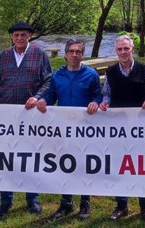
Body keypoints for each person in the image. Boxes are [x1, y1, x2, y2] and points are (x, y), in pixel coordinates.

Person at [0, 21, 51, 219]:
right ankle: (5, 200)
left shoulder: (39, 54)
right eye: (16, 35)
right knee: (6, 158)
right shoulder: (4, 57)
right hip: (6, 117)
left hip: (31, 115)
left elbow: (48, 80)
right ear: (11, 37)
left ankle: (32, 199)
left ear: (29, 36)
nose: (20, 38)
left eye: (23, 35)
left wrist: (37, 97)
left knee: (31, 157)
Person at [36, 38, 101, 220]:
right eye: (71, 51)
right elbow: (51, 95)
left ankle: (84, 203)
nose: (74, 55)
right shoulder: (57, 75)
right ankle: (66, 203)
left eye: (78, 52)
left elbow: (98, 95)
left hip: (85, 128)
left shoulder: (91, 75)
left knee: (84, 165)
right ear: (65, 54)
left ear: (82, 54)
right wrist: (43, 101)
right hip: (64, 128)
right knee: (65, 164)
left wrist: (95, 103)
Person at [99, 34, 145, 222]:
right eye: (119, 49)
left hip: (140, 125)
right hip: (119, 126)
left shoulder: (144, 69)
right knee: (119, 165)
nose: (123, 52)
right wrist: (104, 103)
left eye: (126, 49)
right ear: (116, 51)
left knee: (141, 166)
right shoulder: (111, 71)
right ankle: (121, 205)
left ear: (133, 49)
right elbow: (106, 94)